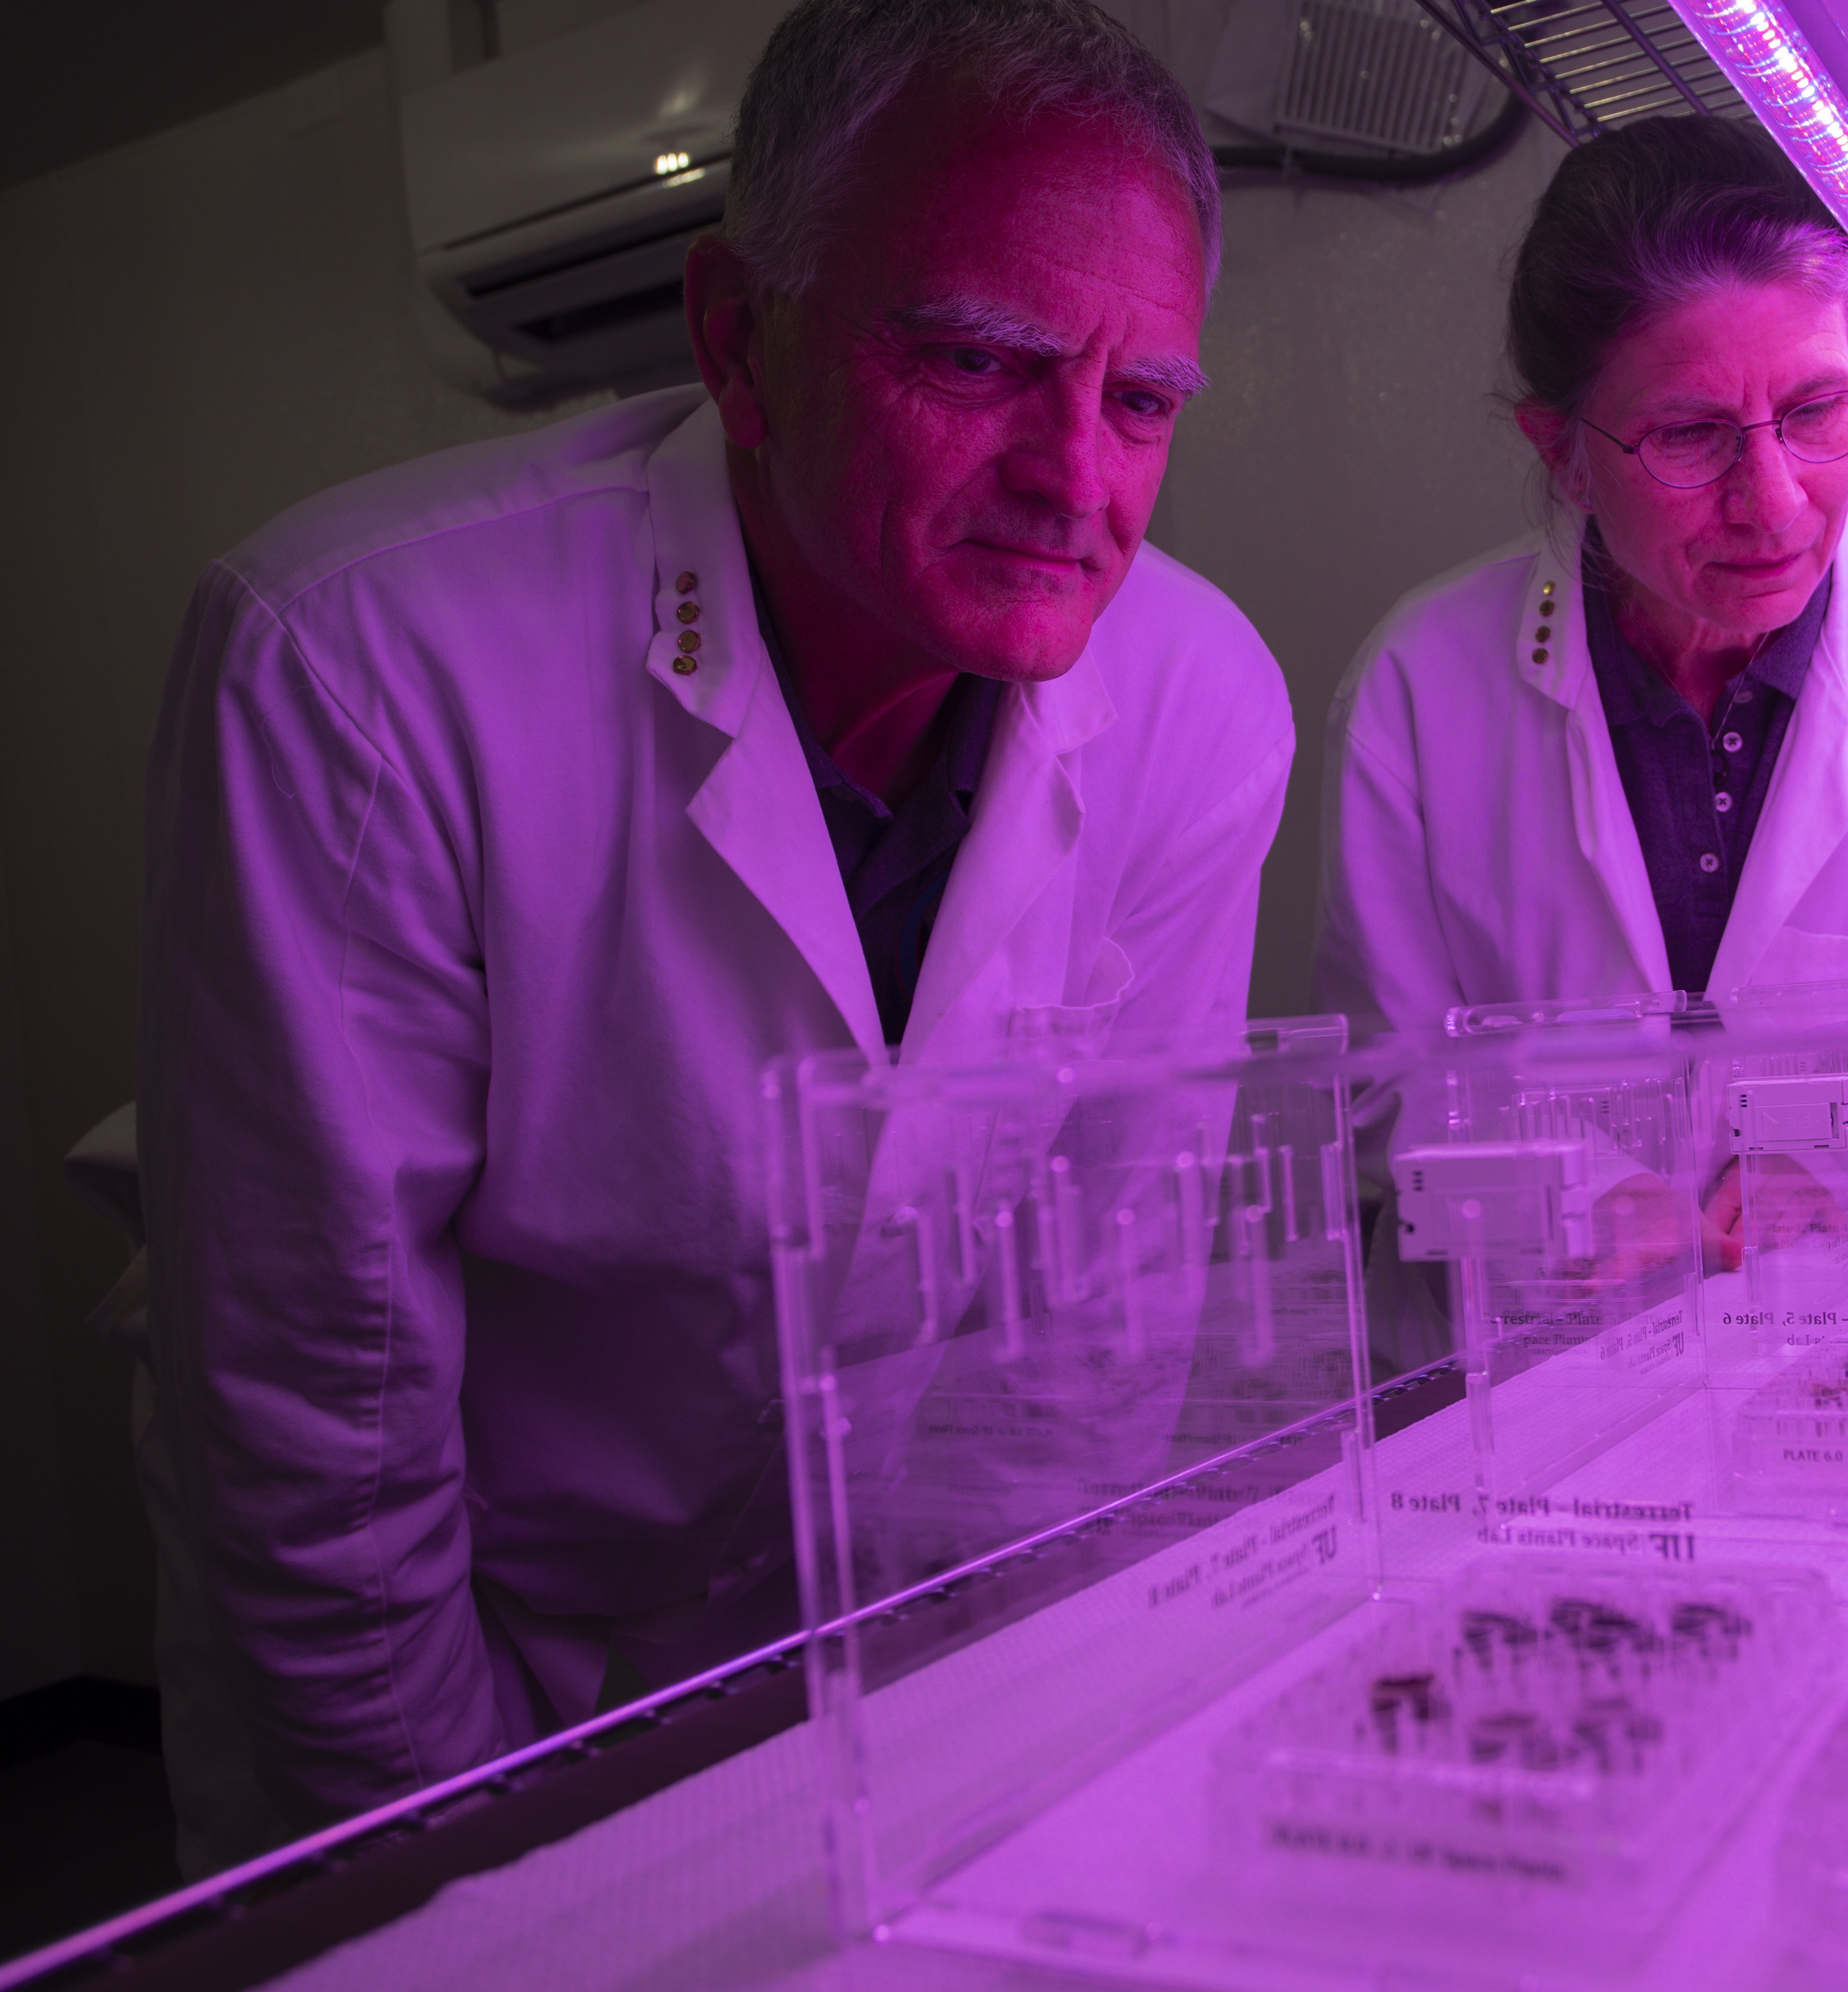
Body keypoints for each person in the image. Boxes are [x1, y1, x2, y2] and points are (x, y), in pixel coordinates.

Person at [137, 0, 1288, 1870]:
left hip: (872, 1654)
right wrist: (497, 1869)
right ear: (740, 340)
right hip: (451, 1653)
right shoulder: (364, 665)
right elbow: (328, 1426)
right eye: (979, 360)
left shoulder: (1200, 700)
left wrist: (978, 1778)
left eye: (1141, 398)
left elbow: (1089, 1347)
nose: (1076, 481)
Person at [1314, 118, 1848, 1348]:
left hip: (1832, 1336)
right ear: (1561, 452)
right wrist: (1567, 1193)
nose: (1772, 502)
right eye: (1687, 436)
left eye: (1815, 409)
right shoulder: (1421, 684)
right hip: (1512, 1366)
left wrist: (1834, 1153)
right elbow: (1381, 1077)